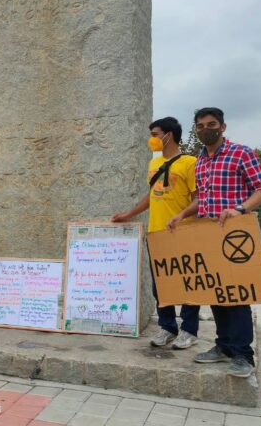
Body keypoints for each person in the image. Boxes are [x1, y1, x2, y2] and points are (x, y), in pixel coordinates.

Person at [167, 107, 261, 378]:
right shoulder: (200, 161)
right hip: (208, 234)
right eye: (200, 126)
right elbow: (203, 198)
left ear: (222, 127)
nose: (205, 129)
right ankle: (223, 346)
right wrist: (182, 214)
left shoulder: (241, 153)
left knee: (236, 296)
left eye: (211, 124)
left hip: (234, 234)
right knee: (215, 293)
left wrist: (240, 209)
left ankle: (243, 355)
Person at [112, 117, 201, 349]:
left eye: (155, 134)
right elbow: (152, 196)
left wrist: (183, 218)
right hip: (157, 232)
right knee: (160, 284)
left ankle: (189, 330)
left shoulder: (190, 163)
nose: (152, 139)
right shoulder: (155, 164)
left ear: (168, 135)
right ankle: (167, 327)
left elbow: (198, 197)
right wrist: (129, 213)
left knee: (188, 282)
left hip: (184, 232)